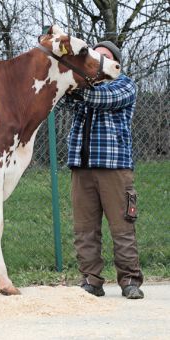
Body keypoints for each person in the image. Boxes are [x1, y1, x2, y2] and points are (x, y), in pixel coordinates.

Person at [57, 41, 144, 299]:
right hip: (81, 168)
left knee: (122, 227)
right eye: (96, 56)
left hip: (114, 168)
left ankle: (130, 280)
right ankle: (91, 280)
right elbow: (63, 102)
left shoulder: (124, 85)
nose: (99, 60)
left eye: (105, 57)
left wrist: (74, 89)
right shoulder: (85, 87)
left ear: (115, 64)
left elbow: (103, 99)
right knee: (85, 229)